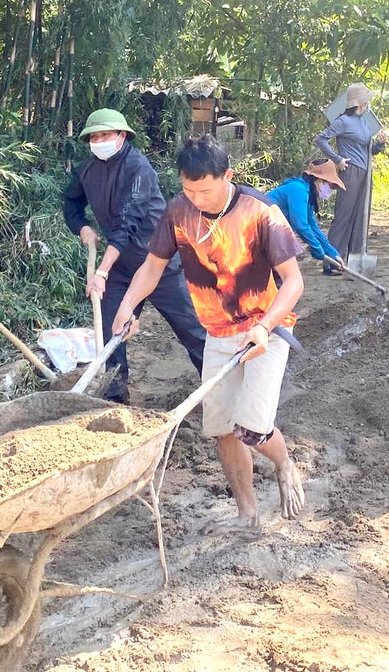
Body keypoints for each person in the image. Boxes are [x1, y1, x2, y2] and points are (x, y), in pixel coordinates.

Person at [114, 136, 306, 533]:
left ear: (227, 176)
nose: (196, 198)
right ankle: (247, 515)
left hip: (265, 330)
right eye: (188, 189)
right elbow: (152, 267)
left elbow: (293, 282)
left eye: (205, 189)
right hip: (217, 331)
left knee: (251, 429)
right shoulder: (177, 212)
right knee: (222, 431)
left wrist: (265, 325)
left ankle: (284, 461)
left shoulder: (260, 212)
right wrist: (128, 305)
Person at [62, 108, 207, 404]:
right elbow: (70, 201)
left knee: (191, 329)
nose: (99, 140)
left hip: (160, 262)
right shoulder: (87, 170)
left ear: (122, 136)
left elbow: (126, 223)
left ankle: (220, 388)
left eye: (106, 135)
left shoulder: (138, 167)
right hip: (122, 266)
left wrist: (100, 272)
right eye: (95, 136)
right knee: (112, 332)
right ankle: (115, 399)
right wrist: (82, 227)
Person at [314, 83, 386, 262]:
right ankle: (333, 260)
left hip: (365, 173)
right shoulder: (343, 121)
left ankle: (355, 258)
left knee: (361, 216)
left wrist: (380, 144)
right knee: (344, 215)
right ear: (360, 103)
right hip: (351, 172)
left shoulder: (364, 122)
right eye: (367, 100)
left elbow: (369, 150)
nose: (369, 103)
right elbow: (321, 139)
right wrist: (337, 159)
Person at [267, 159, 346, 274]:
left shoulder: (308, 196)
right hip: (260, 228)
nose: (330, 190)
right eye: (331, 186)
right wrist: (316, 247)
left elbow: (312, 227)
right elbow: (300, 225)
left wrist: (332, 253)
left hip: (272, 232)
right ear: (319, 181)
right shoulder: (299, 190)